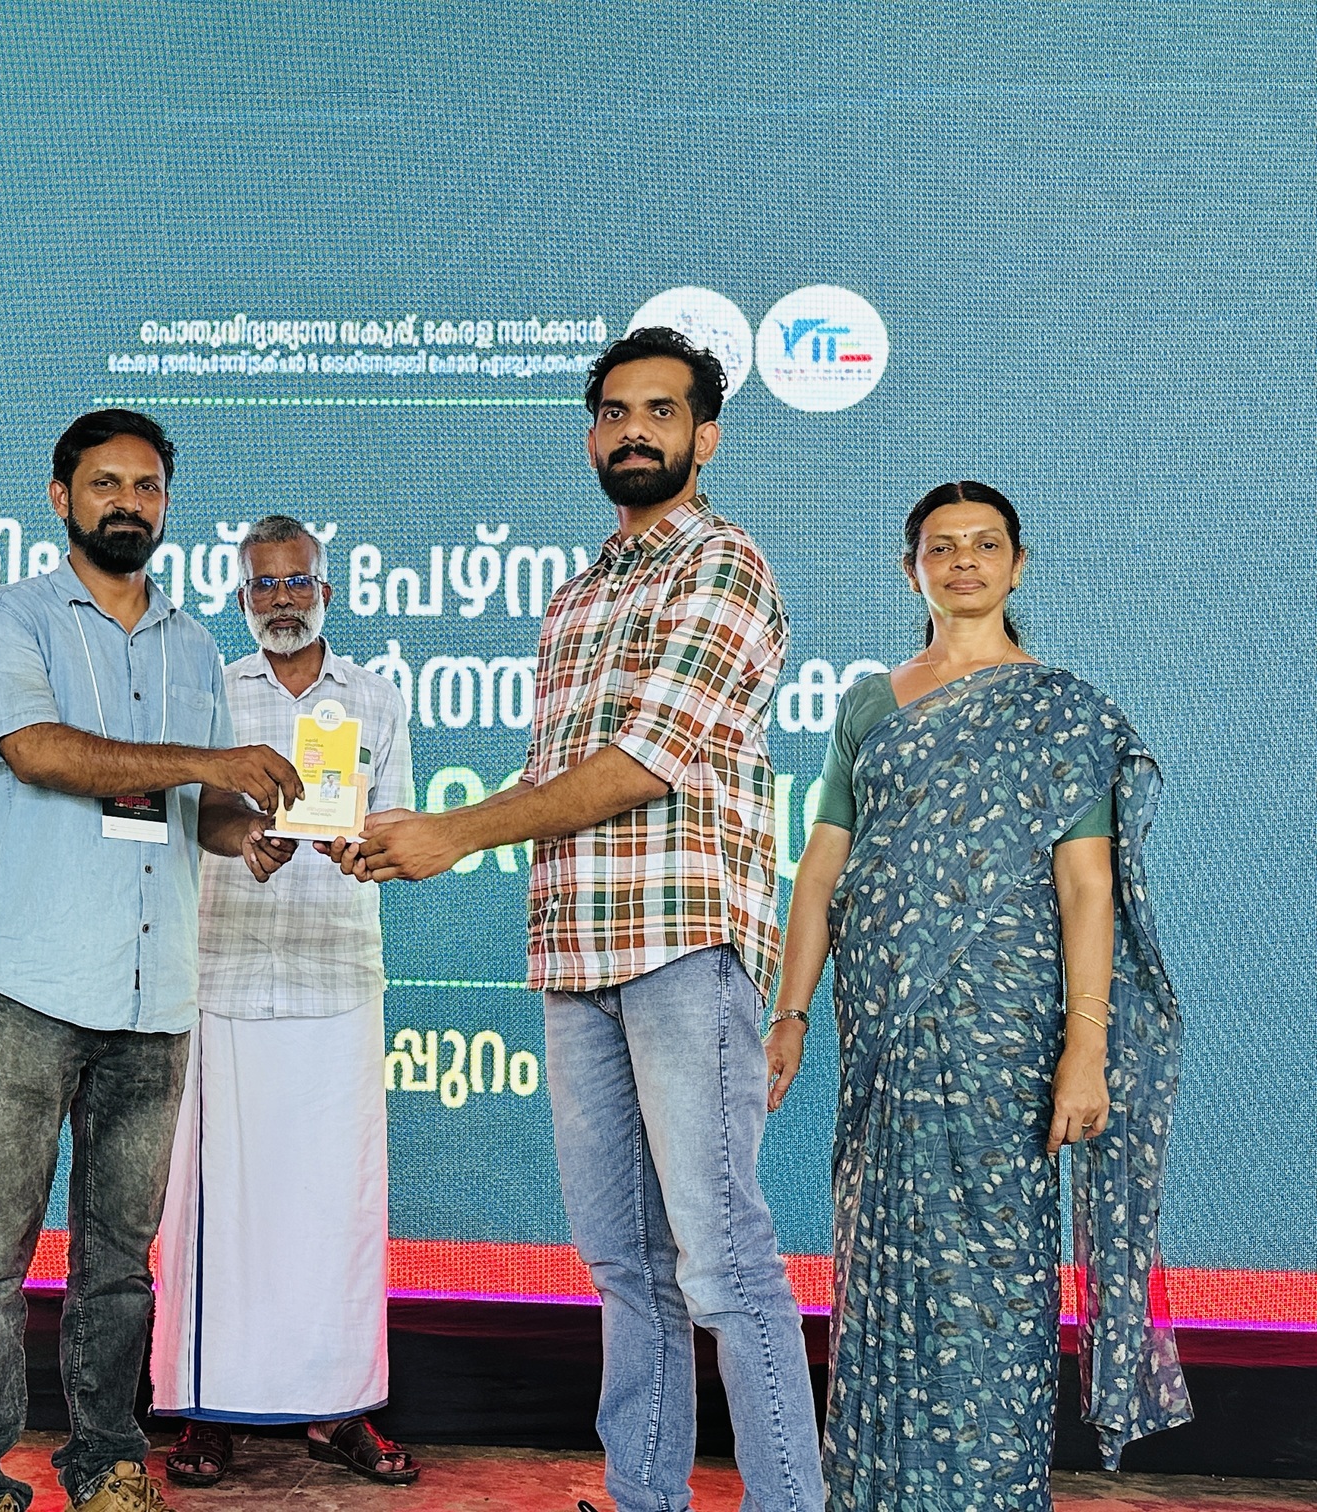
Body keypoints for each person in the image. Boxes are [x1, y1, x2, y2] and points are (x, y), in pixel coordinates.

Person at [337, 328, 824, 1511]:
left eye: (661, 411)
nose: (634, 431)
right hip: (573, 952)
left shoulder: (724, 566)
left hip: (681, 944)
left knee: (723, 1263)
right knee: (622, 1265)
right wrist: (401, 832)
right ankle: (643, 1496)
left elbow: (646, 762)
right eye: (613, 412)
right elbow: (554, 781)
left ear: (707, 436)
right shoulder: (576, 596)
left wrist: (456, 833)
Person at [764, 481, 1190, 1509]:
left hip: (1008, 1035)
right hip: (886, 1035)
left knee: (994, 1271)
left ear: (1018, 564)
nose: (964, 561)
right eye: (942, 546)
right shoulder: (871, 705)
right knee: (884, 1262)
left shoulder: (1059, 712)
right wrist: (791, 1011)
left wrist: (1085, 1047)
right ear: (911, 568)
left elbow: (1086, 887)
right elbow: (822, 870)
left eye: (985, 544)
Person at [0, 411, 302, 1512]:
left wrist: (246, 833)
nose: (128, 503)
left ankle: (106, 1456)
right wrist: (209, 764)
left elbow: (200, 810)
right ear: (61, 498)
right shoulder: (11, 618)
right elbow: (40, 753)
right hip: (35, 985)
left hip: (156, 996)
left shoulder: (193, 646)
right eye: (106, 484)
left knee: (120, 1260)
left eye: (147, 487)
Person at [150, 515, 418, 1490]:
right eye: (262, 585)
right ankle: (204, 1412)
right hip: (224, 978)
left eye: (297, 581)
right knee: (211, 1213)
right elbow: (186, 818)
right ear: (241, 599)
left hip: (336, 978)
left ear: (326, 592)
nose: (282, 599)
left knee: (336, 1213)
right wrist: (241, 840)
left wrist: (361, 847)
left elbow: (397, 826)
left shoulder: (378, 699)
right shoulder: (212, 695)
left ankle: (339, 1409)